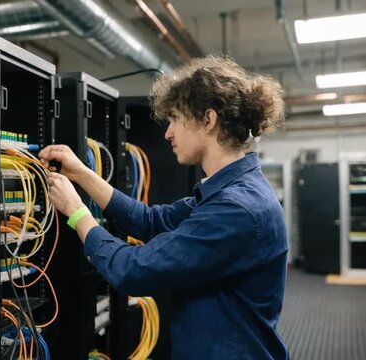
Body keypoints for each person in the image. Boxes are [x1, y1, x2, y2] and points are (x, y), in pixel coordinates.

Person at [39, 56, 289, 359]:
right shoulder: (229, 192)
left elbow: (133, 270)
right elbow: (149, 220)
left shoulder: (237, 208)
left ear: (208, 120)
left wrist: (77, 212)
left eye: (175, 119)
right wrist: (81, 173)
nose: (168, 133)